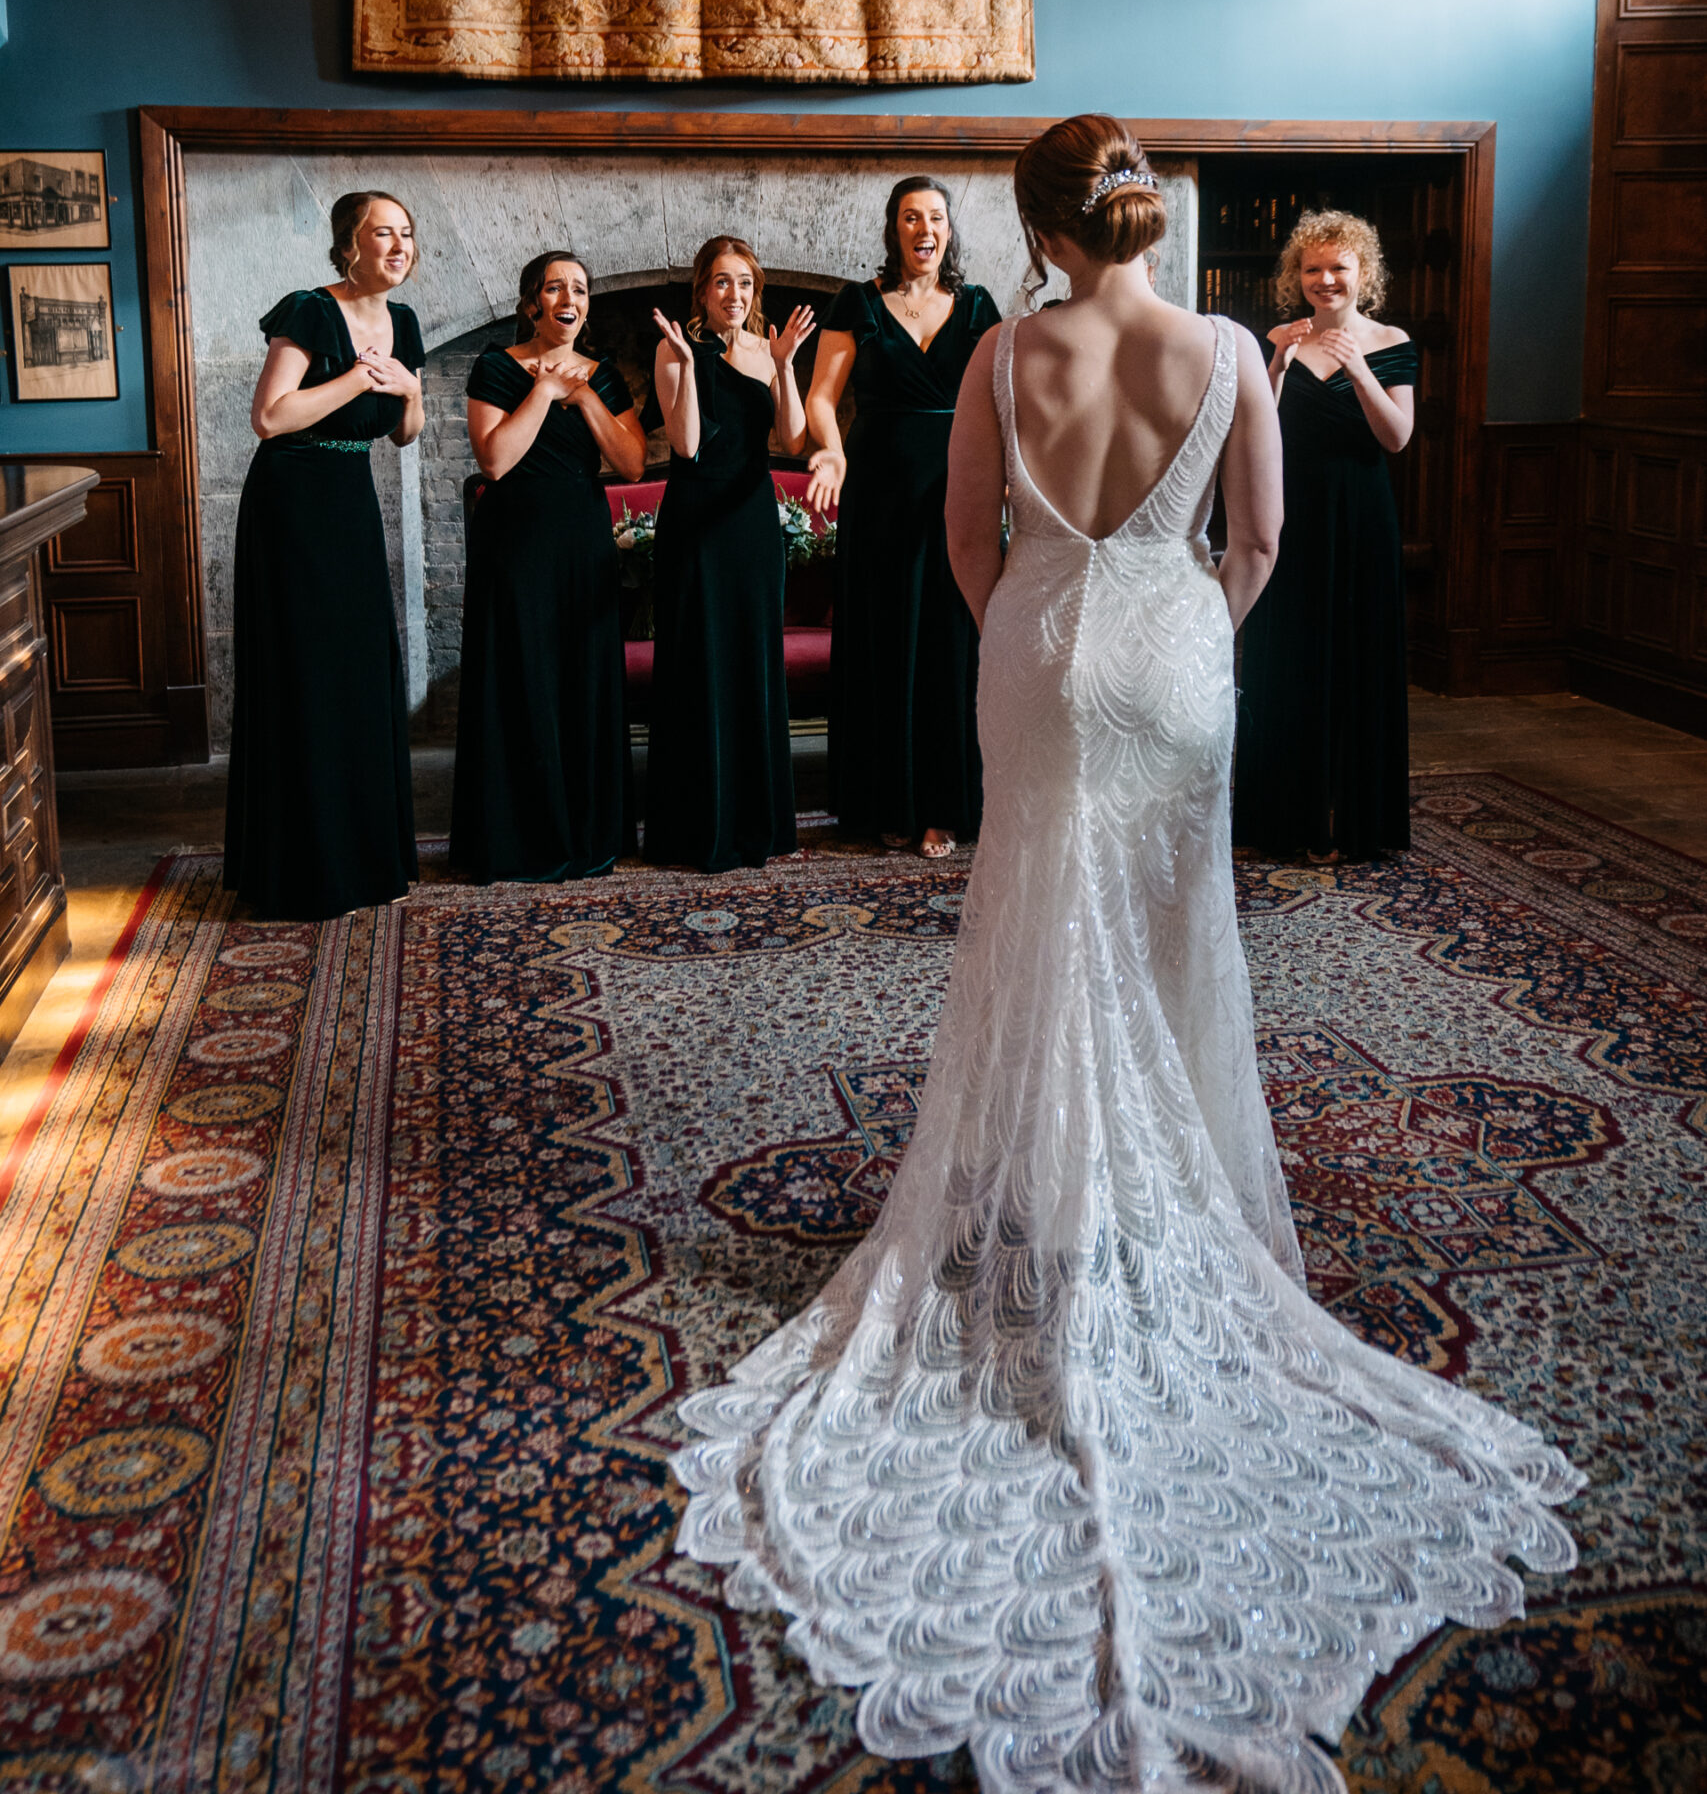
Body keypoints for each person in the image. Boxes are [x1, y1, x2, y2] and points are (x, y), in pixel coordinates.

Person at [672, 117, 1578, 1792]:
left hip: (1034, 647)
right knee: (1174, 935)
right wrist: (1179, 640)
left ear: (1031, 226)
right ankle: (1158, 1218)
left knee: (1030, 920)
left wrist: (1036, 631)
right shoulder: (1229, 344)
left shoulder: (1009, 347)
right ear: (1147, 209)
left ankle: (1062, 1199)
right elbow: (1263, 541)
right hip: (1173, 648)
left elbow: (960, 539)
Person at [223, 190, 424, 920]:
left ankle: (365, 856)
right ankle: (303, 867)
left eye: (406, 234)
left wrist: (407, 392)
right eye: (383, 234)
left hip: (350, 497)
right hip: (293, 500)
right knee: (305, 670)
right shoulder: (309, 308)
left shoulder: (402, 321)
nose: (398, 246)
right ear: (349, 244)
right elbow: (269, 418)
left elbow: (406, 431)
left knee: (356, 670)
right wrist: (358, 377)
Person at [804, 178, 999, 857]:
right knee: (884, 641)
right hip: (879, 488)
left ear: (948, 230)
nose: (923, 227)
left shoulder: (977, 307)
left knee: (949, 644)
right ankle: (885, 801)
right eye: (910, 216)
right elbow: (822, 398)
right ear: (894, 228)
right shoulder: (855, 303)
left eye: (935, 217)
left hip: (958, 486)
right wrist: (829, 451)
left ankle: (942, 807)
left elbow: (1002, 403)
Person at [449, 251, 647, 883]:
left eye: (581, 289)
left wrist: (585, 395)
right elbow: (496, 462)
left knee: (581, 684)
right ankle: (518, 841)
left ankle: (590, 835)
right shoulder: (494, 368)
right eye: (555, 287)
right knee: (521, 684)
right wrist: (544, 389)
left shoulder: (605, 377)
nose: (570, 297)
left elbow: (633, 466)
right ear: (532, 301)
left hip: (582, 547)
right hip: (513, 549)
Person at [1233, 209, 1417, 862]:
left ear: (1362, 273)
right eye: (1312, 268)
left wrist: (1358, 368)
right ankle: (1280, 819)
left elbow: (1395, 437)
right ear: (1296, 276)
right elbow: (1258, 431)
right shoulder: (1277, 340)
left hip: (1362, 517)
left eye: (1338, 267)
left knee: (1353, 658)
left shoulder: (1391, 339)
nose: (1325, 279)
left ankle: (1351, 822)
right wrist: (1279, 360)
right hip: (1292, 519)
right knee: (1288, 658)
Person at [643, 238, 815, 872]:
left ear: (755, 289)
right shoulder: (674, 348)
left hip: (750, 523)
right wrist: (689, 366)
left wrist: (787, 365)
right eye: (721, 283)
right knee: (699, 663)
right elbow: (685, 445)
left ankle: (755, 822)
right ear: (702, 290)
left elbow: (793, 441)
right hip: (695, 522)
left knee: (751, 663)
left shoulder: (768, 351)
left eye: (744, 283)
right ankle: (696, 827)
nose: (734, 296)